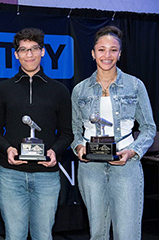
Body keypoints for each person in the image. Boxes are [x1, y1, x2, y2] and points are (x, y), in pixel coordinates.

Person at [71, 25, 156, 240]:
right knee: (97, 232)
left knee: (127, 234)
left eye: (113, 50)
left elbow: (148, 128)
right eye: (101, 49)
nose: (107, 55)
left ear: (120, 54)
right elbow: (74, 130)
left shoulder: (135, 86)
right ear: (93, 53)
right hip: (91, 167)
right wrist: (79, 147)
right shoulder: (80, 89)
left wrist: (133, 152)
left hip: (126, 165)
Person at [0, 28, 74, 239]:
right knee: (14, 235)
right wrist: (7, 149)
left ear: (43, 52)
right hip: (11, 176)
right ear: (16, 54)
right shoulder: (3, 89)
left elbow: (67, 133)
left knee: (43, 236)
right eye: (23, 50)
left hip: (47, 177)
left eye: (34, 49)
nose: (29, 55)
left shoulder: (59, 90)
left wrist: (54, 151)